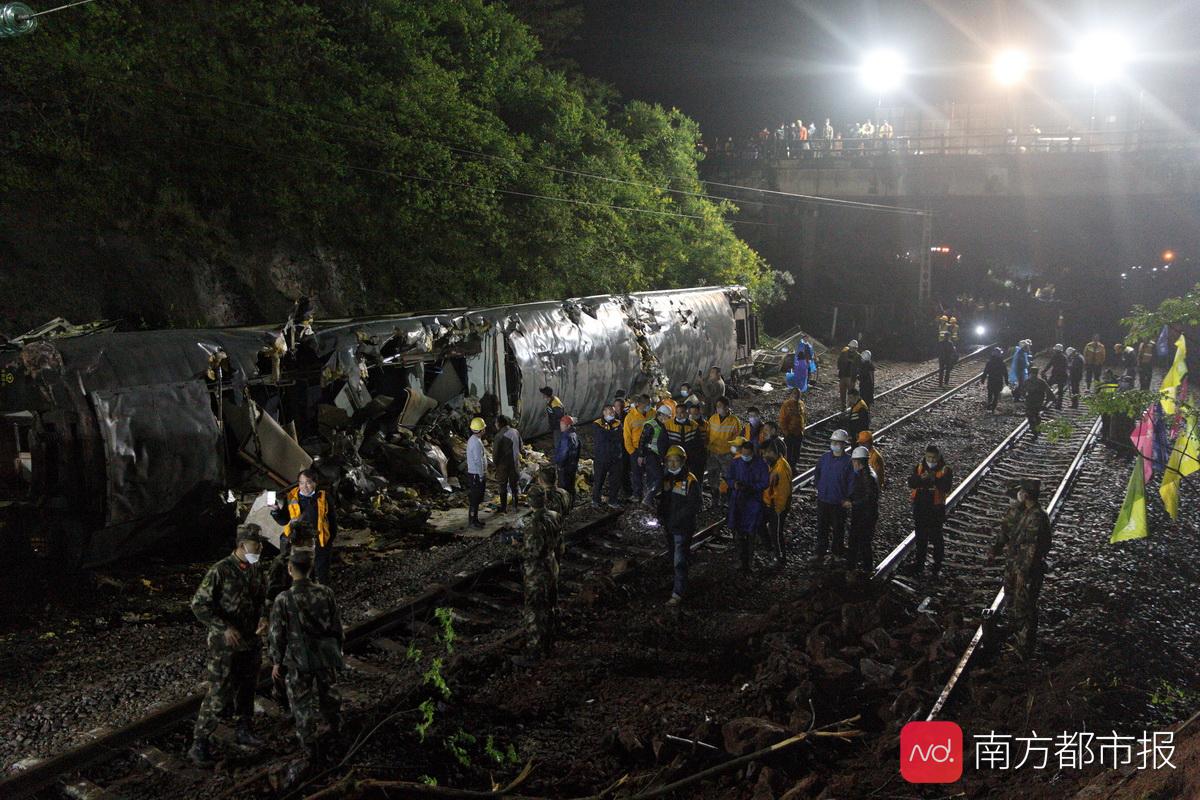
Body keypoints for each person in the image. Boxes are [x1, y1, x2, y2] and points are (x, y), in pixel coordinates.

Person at [190, 524, 270, 766]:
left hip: (250, 640)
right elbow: (199, 605)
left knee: (247, 687)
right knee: (219, 692)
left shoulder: (256, 569)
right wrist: (224, 627)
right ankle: (199, 743)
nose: (259, 550)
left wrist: (265, 617)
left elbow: (262, 598)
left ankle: (244, 729)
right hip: (225, 644)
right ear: (241, 545)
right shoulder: (220, 571)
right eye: (255, 545)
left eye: (260, 545)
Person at [268, 547, 343, 768]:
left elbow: (276, 634)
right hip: (325, 655)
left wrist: (276, 661)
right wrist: (337, 649)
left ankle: (309, 746)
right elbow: (336, 626)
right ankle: (335, 733)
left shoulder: (283, 598)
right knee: (329, 697)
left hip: (298, 659)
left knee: (301, 703)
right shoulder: (326, 592)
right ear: (310, 569)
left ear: (290, 569)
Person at [987, 478, 1051, 658]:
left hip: (1027, 570)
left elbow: (1034, 548)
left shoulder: (1037, 517)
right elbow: (1005, 531)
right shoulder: (1019, 511)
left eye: (1022, 491)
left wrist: (1024, 572)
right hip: (1014, 565)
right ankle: (1017, 639)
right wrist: (995, 549)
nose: (1019, 494)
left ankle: (1024, 648)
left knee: (1025, 606)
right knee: (1012, 601)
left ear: (1027, 495)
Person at [513, 489, 560, 665]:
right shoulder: (554, 516)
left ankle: (535, 652)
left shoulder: (534, 524)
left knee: (535, 611)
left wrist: (517, 545)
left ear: (530, 503)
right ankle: (550, 643)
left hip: (537, 573)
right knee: (550, 606)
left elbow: (532, 553)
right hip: (551, 565)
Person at [271, 468, 338, 586]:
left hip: (319, 542)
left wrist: (328, 542)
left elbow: (332, 521)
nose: (304, 486)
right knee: (299, 572)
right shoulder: (291, 497)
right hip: (298, 541)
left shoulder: (324, 497)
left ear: (315, 483)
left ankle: (322, 594)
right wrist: (276, 511)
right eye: (301, 483)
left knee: (322, 572)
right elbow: (284, 521)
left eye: (308, 482)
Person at [657, 445, 701, 605]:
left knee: (679, 560)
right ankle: (677, 584)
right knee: (673, 557)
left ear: (682, 461)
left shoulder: (690, 481)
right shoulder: (666, 478)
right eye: (670, 461)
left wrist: (677, 518)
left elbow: (695, 505)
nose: (672, 464)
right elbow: (664, 501)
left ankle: (678, 593)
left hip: (683, 527)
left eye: (676, 461)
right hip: (669, 525)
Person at [724, 438, 770, 572]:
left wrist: (751, 487)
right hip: (737, 501)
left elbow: (764, 482)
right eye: (743, 453)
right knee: (738, 532)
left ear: (752, 453)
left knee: (750, 533)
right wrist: (734, 484)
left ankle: (749, 562)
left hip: (753, 503)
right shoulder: (736, 462)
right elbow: (729, 477)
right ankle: (740, 559)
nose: (745, 456)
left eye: (747, 454)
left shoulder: (760, 464)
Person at [907, 444, 953, 578]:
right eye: (929, 457)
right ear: (925, 456)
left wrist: (934, 478)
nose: (931, 460)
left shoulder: (945, 470)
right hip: (920, 506)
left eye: (933, 458)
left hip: (935, 509)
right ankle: (919, 564)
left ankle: (937, 566)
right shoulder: (919, 467)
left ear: (938, 457)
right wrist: (921, 479)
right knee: (921, 537)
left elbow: (946, 487)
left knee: (936, 537)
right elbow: (911, 483)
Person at [813, 429, 855, 560]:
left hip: (839, 502)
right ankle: (820, 552)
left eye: (838, 442)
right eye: (833, 442)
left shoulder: (849, 462)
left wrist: (848, 498)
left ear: (844, 444)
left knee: (838, 529)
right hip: (823, 499)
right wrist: (819, 487)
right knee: (822, 527)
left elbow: (852, 481)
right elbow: (817, 474)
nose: (835, 444)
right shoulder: (824, 458)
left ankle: (836, 553)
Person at [845, 446, 879, 573]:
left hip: (865, 515)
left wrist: (852, 503)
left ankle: (866, 569)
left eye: (854, 461)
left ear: (858, 461)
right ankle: (856, 567)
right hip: (864, 513)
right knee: (859, 541)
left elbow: (869, 497)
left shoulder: (867, 476)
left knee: (862, 542)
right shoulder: (865, 473)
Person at [706, 397, 743, 508]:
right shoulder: (713, 418)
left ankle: (726, 499)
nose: (718, 409)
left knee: (728, 477)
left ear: (727, 407)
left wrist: (734, 454)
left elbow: (737, 439)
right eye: (717, 406)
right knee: (713, 476)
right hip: (713, 453)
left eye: (720, 406)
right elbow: (708, 434)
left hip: (727, 454)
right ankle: (715, 500)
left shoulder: (734, 421)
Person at [761, 442, 793, 565]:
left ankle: (780, 558)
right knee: (760, 524)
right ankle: (771, 551)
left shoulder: (781, 468)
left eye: (767, 452)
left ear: (775, 452)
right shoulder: (772, 464)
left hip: (777, 506)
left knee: (775, 532)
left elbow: (783, 492)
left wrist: (778, 510)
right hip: (769, 503)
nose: (765, 455)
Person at [591, 404, 624, 508]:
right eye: (609, 412)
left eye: (612, 412)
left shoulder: (618, 423)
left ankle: (613, 500)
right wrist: (611, 434)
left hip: (615, 457)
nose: (611, 414)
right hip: (601, 457)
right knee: (599, 480)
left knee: (615, 481)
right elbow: (601, 437)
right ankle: (596, 500)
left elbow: (619, 437)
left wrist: (608, 434)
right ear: (603, 412)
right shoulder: (597, 424)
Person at [639, 404, 671, 506]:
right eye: (667, 416)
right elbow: (642, 441)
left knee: (653, 478)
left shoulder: (664, 425)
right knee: (658, 477)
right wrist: (641, 455)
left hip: (660, 455)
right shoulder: (650, 425)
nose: (668, 419)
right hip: (650, 454)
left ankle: (649, 499)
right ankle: (647, 499)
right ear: (660, 415)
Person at [623, 394, 651, 502]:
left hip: (650, 449)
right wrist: (632, 452)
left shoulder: (652, 413)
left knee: (649, 472)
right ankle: (637, 494)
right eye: (646, 404)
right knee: (636, 473)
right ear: (639, 404)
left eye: (649, 403)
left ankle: (648, 494)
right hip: (635, 449)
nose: (649, 406)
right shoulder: (630, 417)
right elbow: (627, 436)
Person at [493, 416, 522, 513]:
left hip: (504, 465)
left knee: (502, 485)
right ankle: (515, 507)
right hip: (515, 463)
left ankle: (503, 508)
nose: (495, 425)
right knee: (515, 485)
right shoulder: (515, 431)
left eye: (496, 423)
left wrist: (496, 465)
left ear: (500, 423)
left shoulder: (499, 436)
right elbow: (521, 446)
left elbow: (495, 454)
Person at [465, 417, 487, 529]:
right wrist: (481, 475)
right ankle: (472, 522)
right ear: (482, 429)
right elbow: (478, 461)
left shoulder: (473, 439)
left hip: (474, 474)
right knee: (475, 499)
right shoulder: (476, 443)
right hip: (476, 474)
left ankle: (475, 520)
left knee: (476, 498)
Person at [554, 415, 580, 505]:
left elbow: (563, 454)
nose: (561, 426)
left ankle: (565, 506)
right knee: (571, 486)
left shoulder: (566, 437)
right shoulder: (574, 435)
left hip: (565, 467)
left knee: (564, 488)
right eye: (561, 424)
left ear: (568, 426)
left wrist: (559, 464)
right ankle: (572, 503)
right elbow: (579, 449)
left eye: (563, 424)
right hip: (572, 466)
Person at [778, 388, 807, 467]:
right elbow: (782, 419)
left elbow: (803, 416)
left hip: (799, 432)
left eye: (798, 394)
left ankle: (793, 466)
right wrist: (786, 432)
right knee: (789, 451)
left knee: (797, 451)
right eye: (795, 393)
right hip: (789, 433)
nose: (796, 395)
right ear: (791, 394)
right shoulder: (786, 405)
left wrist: (803, 428)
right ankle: (788, 467)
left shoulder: (801, 404)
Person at [1024, 366, 1052, 440]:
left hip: (1035, 402)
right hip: (1032, 401)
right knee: (1033, 415)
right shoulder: (1039, 381)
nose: (1032, 375)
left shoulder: (1039, 382)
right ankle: (1036, 429)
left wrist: (1048, 401)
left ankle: (1035, 431)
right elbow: (1022, 390)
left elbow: (1048, 391)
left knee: (1033, 415)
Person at [613, 396, 633, 501]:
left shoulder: (627, 417)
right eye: (616, 406)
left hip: (626, 447)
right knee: (617, 470)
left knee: (625, 470)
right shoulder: (612, 418)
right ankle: (619, 491)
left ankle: (628, 491)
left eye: (620, 406)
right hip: (617, 448)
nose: (617, 408)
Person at [683, 404, 709, 481]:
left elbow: (708, 438)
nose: (693, 416)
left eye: (695, 413)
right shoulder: (686, 424)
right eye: (691, 414)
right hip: (689, 453)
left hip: (701, 454)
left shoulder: (706, 425)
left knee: (699, 476)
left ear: (699, 412)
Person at [982, 346, 1008, 414]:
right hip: (998, 380)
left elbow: (985, 371)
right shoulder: (1002, 363)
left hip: (991, 380)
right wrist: (1006, 380)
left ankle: (989, 404)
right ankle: (993, 407)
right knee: (996, 395)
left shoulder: (989, 362)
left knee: (990, 393)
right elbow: (1005, 372)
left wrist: (983, 379)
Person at [836, 340, 861, 407]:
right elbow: (839, 362)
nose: (852, 348)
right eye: (851, 347)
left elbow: (859, 367)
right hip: (843, 375)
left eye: (853, 347)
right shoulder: (843, 353)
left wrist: (857, 374)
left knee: (850, 393)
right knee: (842, 392)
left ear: (856, 348)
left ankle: (850, 406)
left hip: (851, 377)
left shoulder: (858, 356)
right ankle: (843, 405)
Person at [540, 386, 565, 451]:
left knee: (558, 442)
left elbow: (559, 415)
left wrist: (555, 424)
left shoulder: (554, 403)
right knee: (558, 441)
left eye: (543, 394)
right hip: (556, 425)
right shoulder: (551, 400)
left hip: (558, 426)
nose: (542, 395)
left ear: (546, 395)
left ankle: (560, 457)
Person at [1047, 344, 1069, 409]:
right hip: (1062, 376)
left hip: (1055, 375)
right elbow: (1066, 367)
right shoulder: (1064, 357)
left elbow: (1049, 364)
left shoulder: (1055, 357)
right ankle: (1059, 405)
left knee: (1048, 386)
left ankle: (1050, 399)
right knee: (1060, 391)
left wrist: (1044, 371)